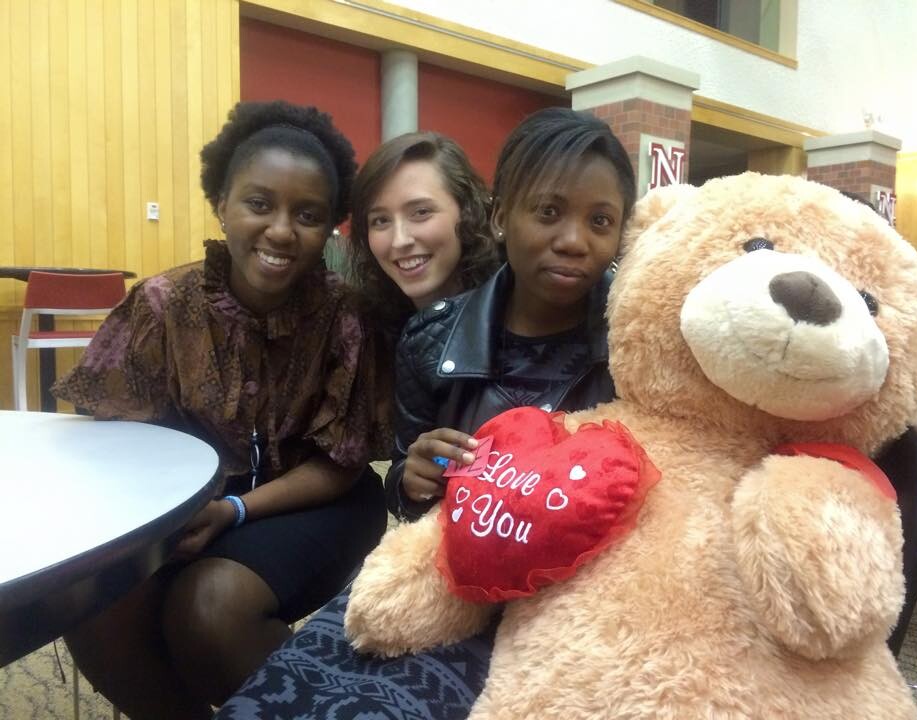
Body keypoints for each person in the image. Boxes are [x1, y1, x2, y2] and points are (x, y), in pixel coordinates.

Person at [216, 106, 638, 719]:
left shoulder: (635, 339)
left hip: (587, 597)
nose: (573, 239)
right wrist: (414, 479)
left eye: (600, 220)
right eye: (548, 212)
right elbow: (410, 496)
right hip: (455, 576)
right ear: (500, 216)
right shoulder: (430, 339)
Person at [51, 100, 391, 719]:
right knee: (93, 603)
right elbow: (113, 447)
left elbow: (340, 464)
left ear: (332, 225)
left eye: (308, 214)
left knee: (208, 610)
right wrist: (170, 519)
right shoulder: (160, 307)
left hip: (318, 502)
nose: (282, 230)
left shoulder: (347, 316)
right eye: (259, 204)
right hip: (183, 508)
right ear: (222, 203)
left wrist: (233, 509)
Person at [347, 130, 501, 339]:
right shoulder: (365, 332)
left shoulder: (512, 322)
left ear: (468, 211)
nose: (399, 240)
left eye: (421, 212)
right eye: (381, 220)